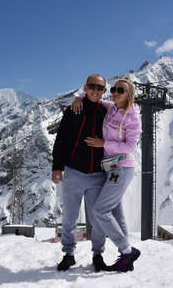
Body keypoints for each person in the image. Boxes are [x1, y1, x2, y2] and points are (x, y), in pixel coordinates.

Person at [72, 78, 142, 272]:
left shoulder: (132, 117)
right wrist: (78, 97)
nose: (116, 93)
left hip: (121, 168)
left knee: (100, 211)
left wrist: (104, 145)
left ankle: (127, 251)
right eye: (114, 89)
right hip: (109, 168)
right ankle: (125, 258)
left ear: (129, 94)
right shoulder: (112, 107)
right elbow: (94, 98)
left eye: (121, 90)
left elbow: (130, 147)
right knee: (117, 213)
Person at [51, 74, 109, 272]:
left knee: (98, 217)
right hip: (74, 172)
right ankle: (69, 254)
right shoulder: (74, 109)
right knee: (69, 216)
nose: (95, 90)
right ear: (85, 87)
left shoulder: (107, 111)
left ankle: (98, 255)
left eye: (99, 87)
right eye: (92, 86)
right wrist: (57, 167)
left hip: (97, 174)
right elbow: (61, 140)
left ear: (104, 91)